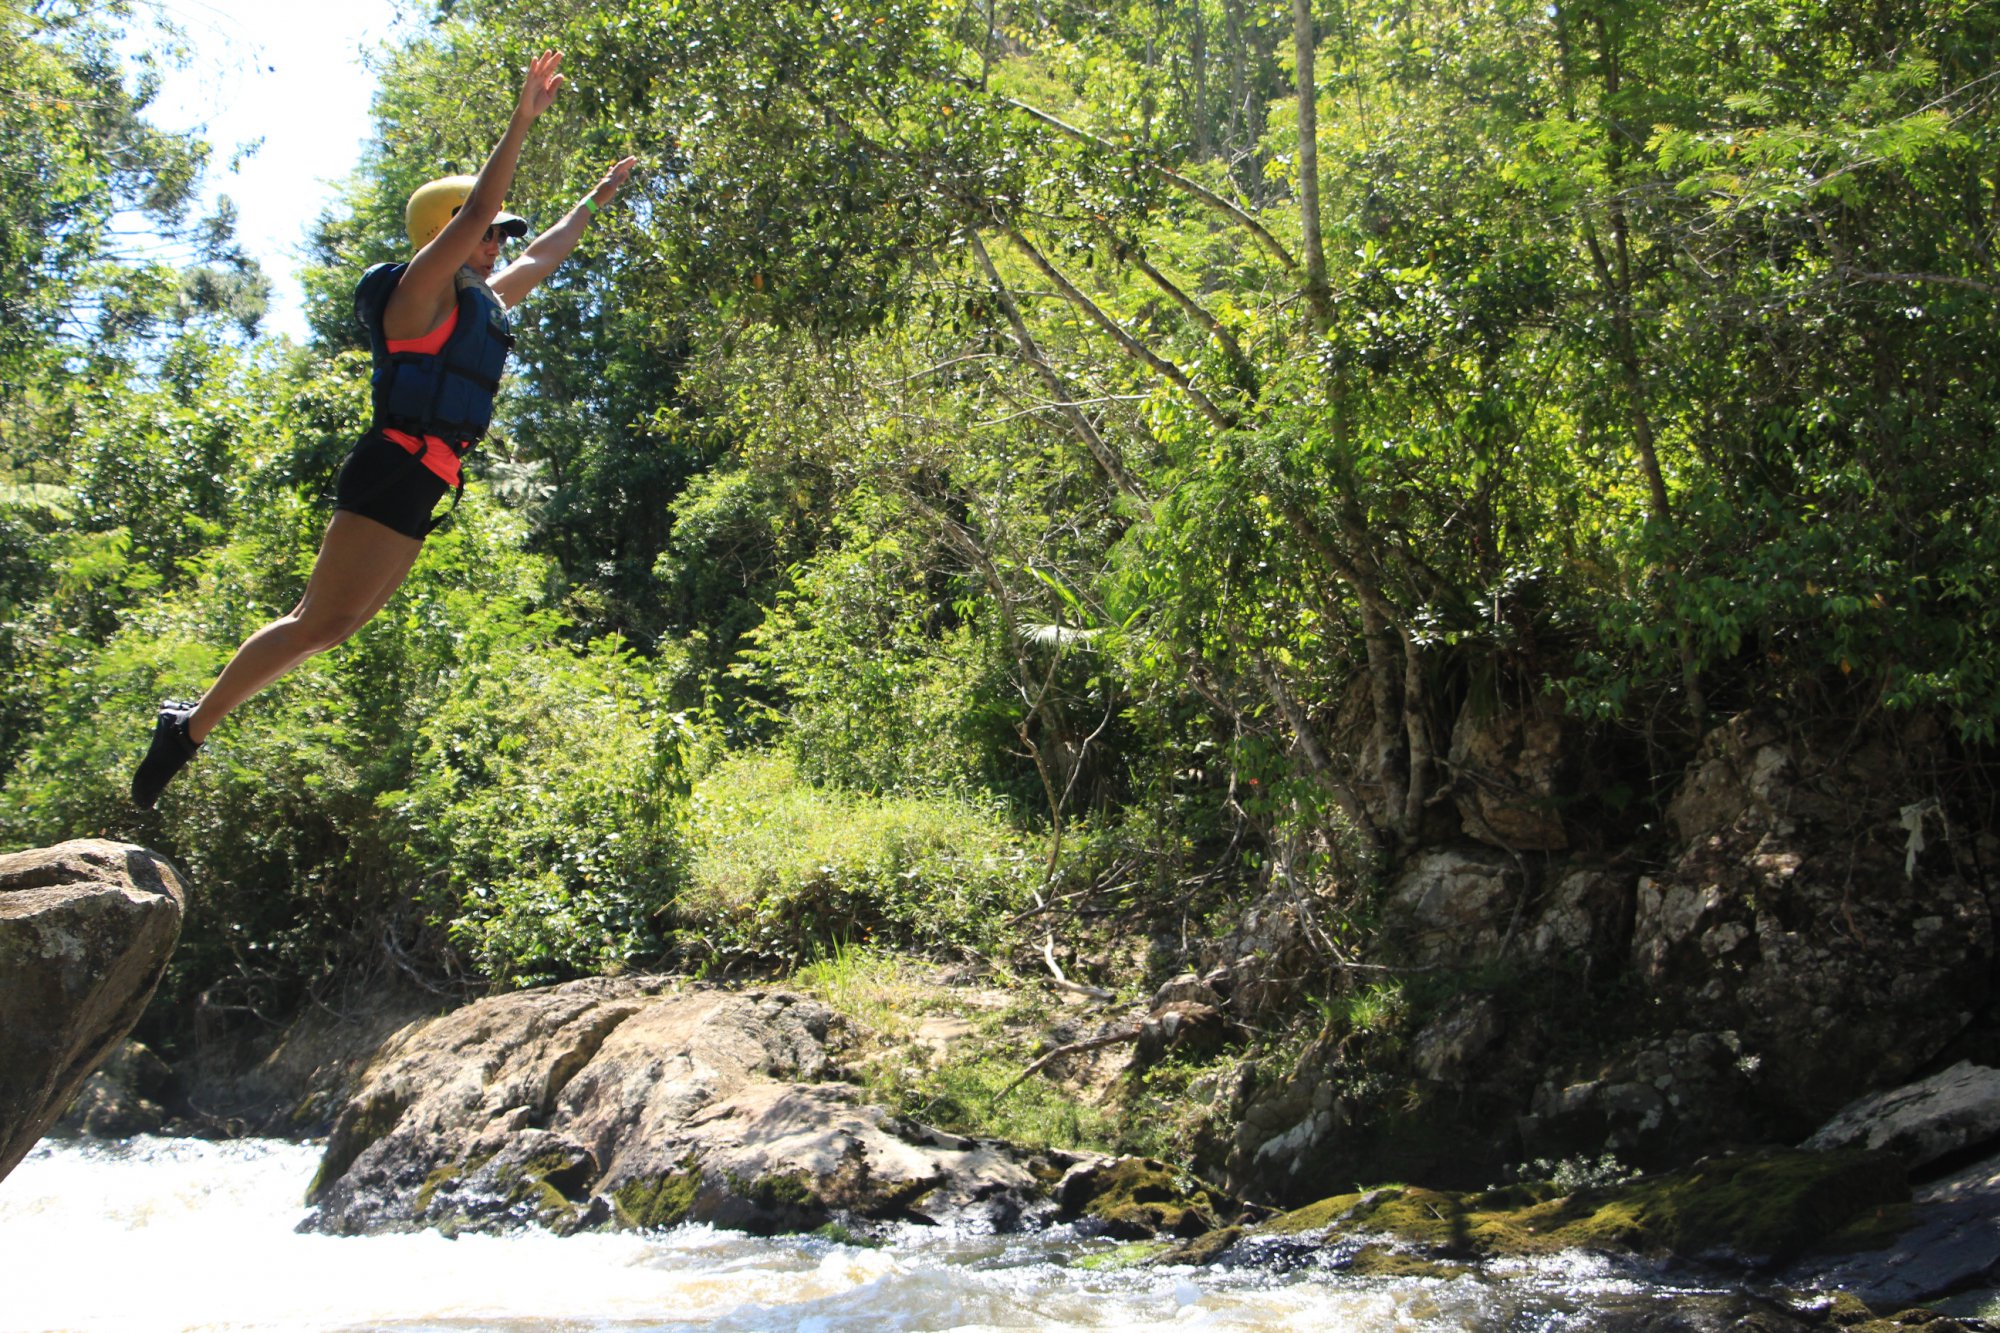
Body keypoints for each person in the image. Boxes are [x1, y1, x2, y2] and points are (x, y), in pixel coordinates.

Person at [131, 49, 638, 809]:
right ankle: (187, 729)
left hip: (426, 477)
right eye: (486, 234)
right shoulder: (417, 294)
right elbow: (476, 210)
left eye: (498, 237)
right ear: (446, 232)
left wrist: (597, 198)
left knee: (332, 627)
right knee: (315, 621)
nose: (497, 243)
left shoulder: (483, 301)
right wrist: (521, 121)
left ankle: (191, 722)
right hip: (394, 464)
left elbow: (546, 252)